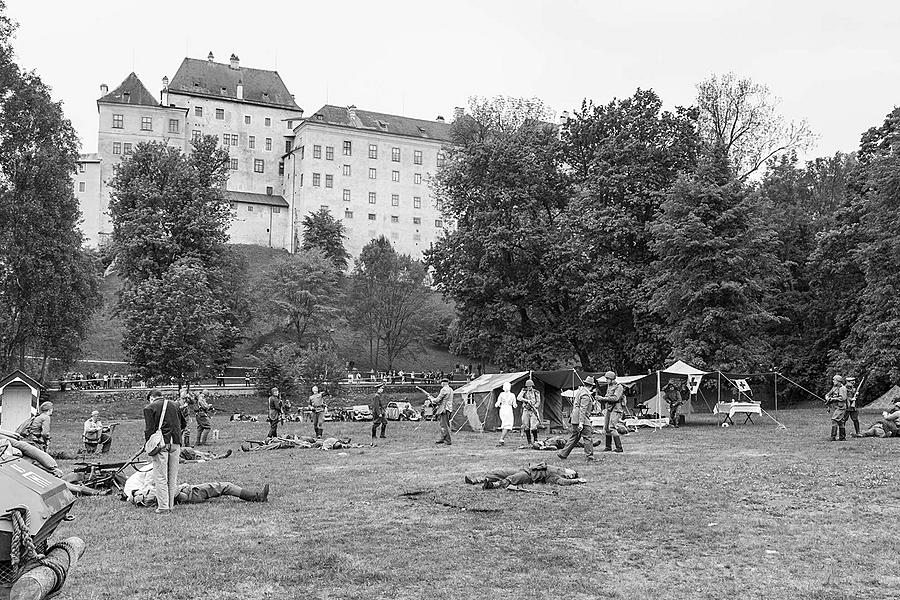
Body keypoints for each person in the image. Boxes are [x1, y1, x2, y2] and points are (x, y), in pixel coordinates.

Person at [124, 465, 269, 506]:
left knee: (221, 489)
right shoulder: (149, 493)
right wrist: (181, 486)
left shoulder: (140, 494)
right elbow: (172, 494)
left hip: (189, 493)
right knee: (225, 486)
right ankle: (256, 497)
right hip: (191, 493)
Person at [143, 389, 185, 514]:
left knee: (160, 476)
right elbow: (183, 423)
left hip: (161, 444)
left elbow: (149, 430)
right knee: (172, 476)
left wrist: (149, 445)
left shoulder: (149, 408)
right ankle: (171, 504)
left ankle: (163, 506)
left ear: (151, 397)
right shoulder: (175, 405)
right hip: (176, 443)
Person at [557, 377, 596, 462]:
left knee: (575, 437)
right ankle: (589, 456)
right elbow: (583, 409)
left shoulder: (580, 391)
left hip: (574, 418)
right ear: (592, 386)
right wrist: (581, 422)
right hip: (581, 418)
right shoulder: (586, 395)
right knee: (587, 437)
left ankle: (563, 453)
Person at [466, 462, 586, 488]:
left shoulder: (555, 475)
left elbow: (562, 483)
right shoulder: (559, 468)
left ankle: (492, 485)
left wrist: (577, 480)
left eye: (572, 474)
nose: (570, 471)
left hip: (529, 476)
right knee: (499, 472)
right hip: (524, 470)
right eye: (572, 471)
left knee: (510, 479)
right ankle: (476, 480)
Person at [600, 371, 626, 453]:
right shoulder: (609, 386)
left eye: (607, 379)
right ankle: (608, 447)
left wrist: (603, 399)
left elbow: (615, 398)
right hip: (609, 408)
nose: (606, 380)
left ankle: (619, 448)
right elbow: (608, 397)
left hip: (616, 409)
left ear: (612, 379)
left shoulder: (619, 387)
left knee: (612, 427)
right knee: (607, 428)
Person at [426, 378, 454, 445]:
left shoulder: (444, 389)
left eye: (441, 382)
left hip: (444, 409)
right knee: (445, 424)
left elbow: (437, 400)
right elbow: (444, 399)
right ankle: (442, 438)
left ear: (443, 383)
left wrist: (431, 399)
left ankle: (447, 440)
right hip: (449, 408)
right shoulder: (451, 389)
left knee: (444, 425)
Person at [517, 379, 542, 446]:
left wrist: (534, 406)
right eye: (528, 386)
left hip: (533, 410)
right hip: (526, 410)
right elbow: (519, 398)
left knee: (533, 426)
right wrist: (526, 400)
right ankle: (529, 441)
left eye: (530, 386)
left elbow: (538, 402)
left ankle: (536, 440)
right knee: (526, 425)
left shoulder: (536, 392)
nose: (529, 388)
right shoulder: (524, 391)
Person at [825, 375, 848, 441]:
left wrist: (832, 399)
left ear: (838, 381)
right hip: (835, 407)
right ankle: (842, 437)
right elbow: (827, 394)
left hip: (841, 407)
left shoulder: (842, 388)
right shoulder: (834, 387)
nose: (833, 381)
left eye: (834, 380)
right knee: (840, 421)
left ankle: (833, 437)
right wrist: (827, 398)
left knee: (834, 420)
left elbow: (842, 398)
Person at [494, 381, 517, 446]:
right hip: (508, 409)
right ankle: (502, 439)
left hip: (502, 409)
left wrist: (498, 405)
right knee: (508, 424)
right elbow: (515, 405)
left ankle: (503, 438)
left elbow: (497, 403)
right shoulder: (512, 395)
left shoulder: (501, 394)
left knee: (505, 424)